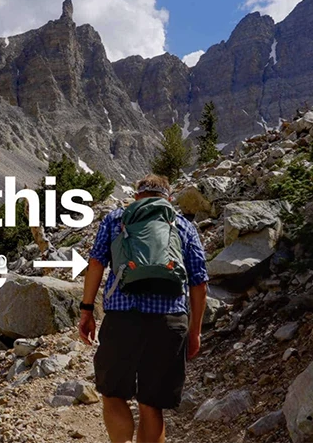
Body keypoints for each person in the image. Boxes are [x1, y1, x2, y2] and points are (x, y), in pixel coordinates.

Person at [78, 174, 209, 443]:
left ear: (137, 196)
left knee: (112, 393)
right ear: (168, 198)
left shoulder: (116, 219)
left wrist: (86, 309)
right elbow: (199, 284)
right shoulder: (182, 225)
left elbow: (95, 263)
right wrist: (194, 332)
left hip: (123, 319)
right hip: (169, 321)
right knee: (151, 403)